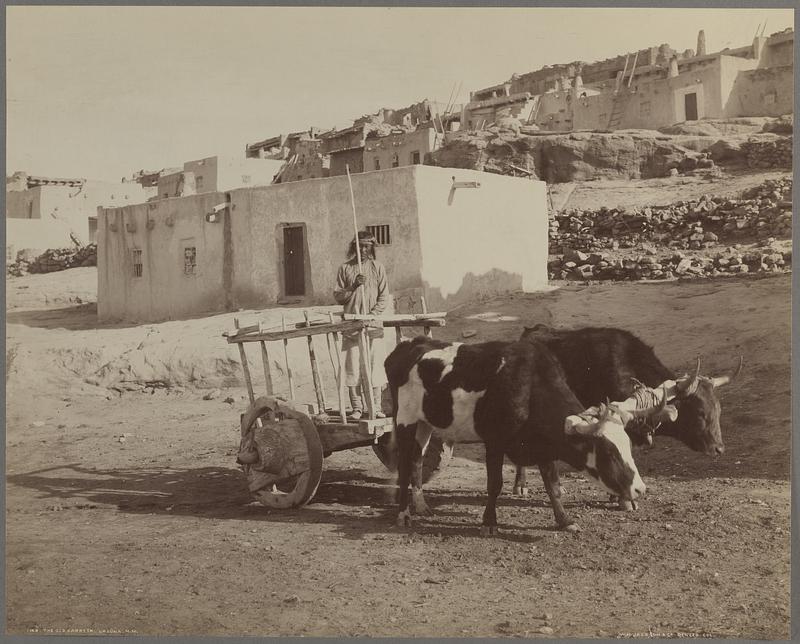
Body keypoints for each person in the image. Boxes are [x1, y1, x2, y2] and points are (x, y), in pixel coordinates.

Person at [333, 231, 389, 420]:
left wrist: (371, 316)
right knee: (352, 369)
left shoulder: (377, 267)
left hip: (373, 327)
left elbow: (383, 297)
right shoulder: (345, 269)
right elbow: (338, 297)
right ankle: (357, 408)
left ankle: (376, 406)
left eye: (367, 246)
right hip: (351, 327)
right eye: (360, 246)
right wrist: (353, 286)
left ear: (371, 248)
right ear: (353, 247)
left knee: (374, 368)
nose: (363, 250)